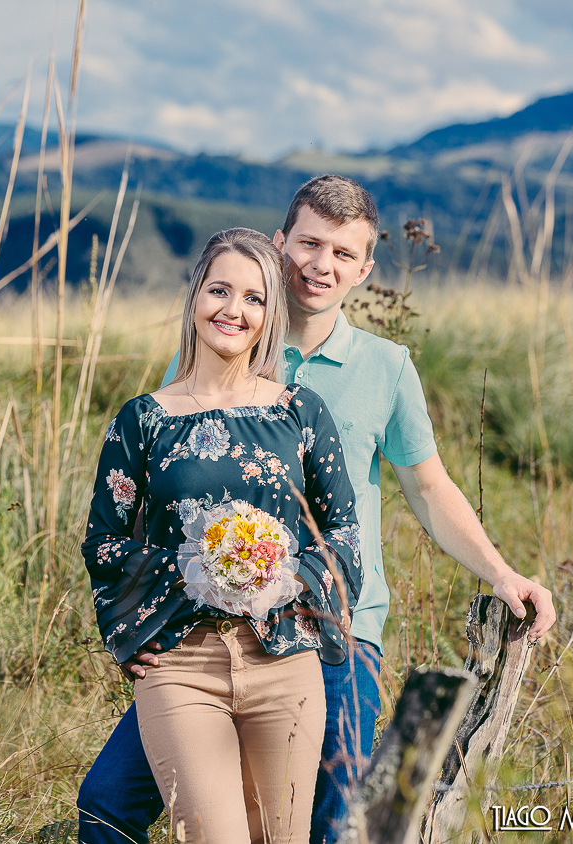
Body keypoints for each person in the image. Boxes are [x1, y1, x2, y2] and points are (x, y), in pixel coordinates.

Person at [77, 175, 558, 844]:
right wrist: (136, 618)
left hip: (332, 630)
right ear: (280, 245)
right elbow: (153, 502)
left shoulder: (385, 367)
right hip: (201, 636)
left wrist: (501, 573)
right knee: (107, 805)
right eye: (308, 243)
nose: (319, 265)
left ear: (365, 269)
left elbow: (430, 486)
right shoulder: (220, 343)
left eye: (341, 253)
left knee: (332, 823)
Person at [82, 227, 364, 844]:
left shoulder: (300, 412)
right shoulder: (143, 419)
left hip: (285, 660)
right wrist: (163, 600)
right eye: (220, 290)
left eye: (254, 298)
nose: (233, 311)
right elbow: (103, 541)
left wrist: (284, 579)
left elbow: (343, 532)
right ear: (194, 297)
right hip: (182, 665)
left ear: (270, 315)